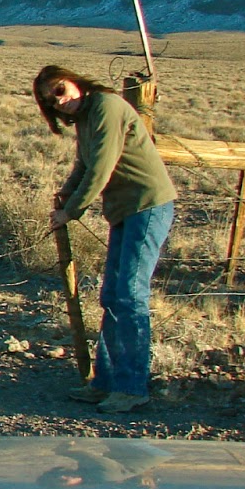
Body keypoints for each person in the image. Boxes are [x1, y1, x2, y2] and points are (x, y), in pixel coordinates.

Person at [34, 65, 177, 413]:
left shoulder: (105, 107)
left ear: (75, 81)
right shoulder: (86, 117)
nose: (60, 101)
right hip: (125, 209)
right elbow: (84, 165)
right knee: (113, 295)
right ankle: (106, 383)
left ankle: (131, 387)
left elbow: (101, 168)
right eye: (51, 101)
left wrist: (73, 211)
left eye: (60, 90)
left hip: (147, 205)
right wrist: (66, 195)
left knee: (129, 295)